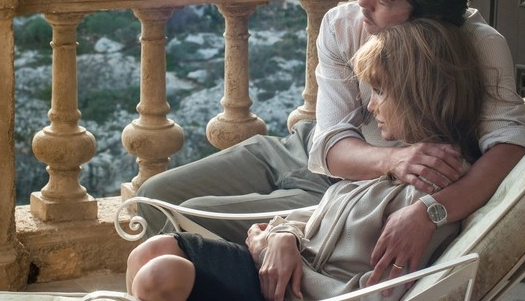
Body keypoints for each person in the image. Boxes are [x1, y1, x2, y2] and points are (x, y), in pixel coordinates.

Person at [136, 0, 525, 280]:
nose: (363, 3)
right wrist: (395, 159)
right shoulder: (344, 25)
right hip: (312, 147)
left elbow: (510, 145)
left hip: (353, 190)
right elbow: (329, 143)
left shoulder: (479, 47)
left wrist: (431, 211)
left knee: (186, 218)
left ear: (429, 18)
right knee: (154, 196)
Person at [126, 19, 488, 301]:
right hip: (284, 267)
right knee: (152, 251)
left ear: (416, 97)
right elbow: (321, 220)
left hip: (297, 290)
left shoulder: (429, 191)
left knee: (162, 276)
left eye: (380, 91)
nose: (370, 104)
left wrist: (278, 257)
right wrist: (282, 235)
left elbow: (378, 293)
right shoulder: (399, 164)